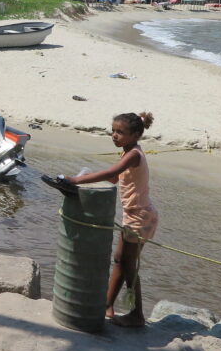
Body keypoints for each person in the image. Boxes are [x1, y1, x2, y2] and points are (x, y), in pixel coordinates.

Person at [65, 112, 158, 328]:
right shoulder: (128, 151)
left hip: (140, 217)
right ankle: (107, 305)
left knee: (129, 266)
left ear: (135, 134)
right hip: (136, 215)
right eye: (113, 131)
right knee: (120, 259)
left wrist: (76, 179)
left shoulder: (133, 155)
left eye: (120, 132)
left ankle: (137, 315)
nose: (114, 135)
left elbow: (111, 171)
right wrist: (85, 183)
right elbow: (114, 178)